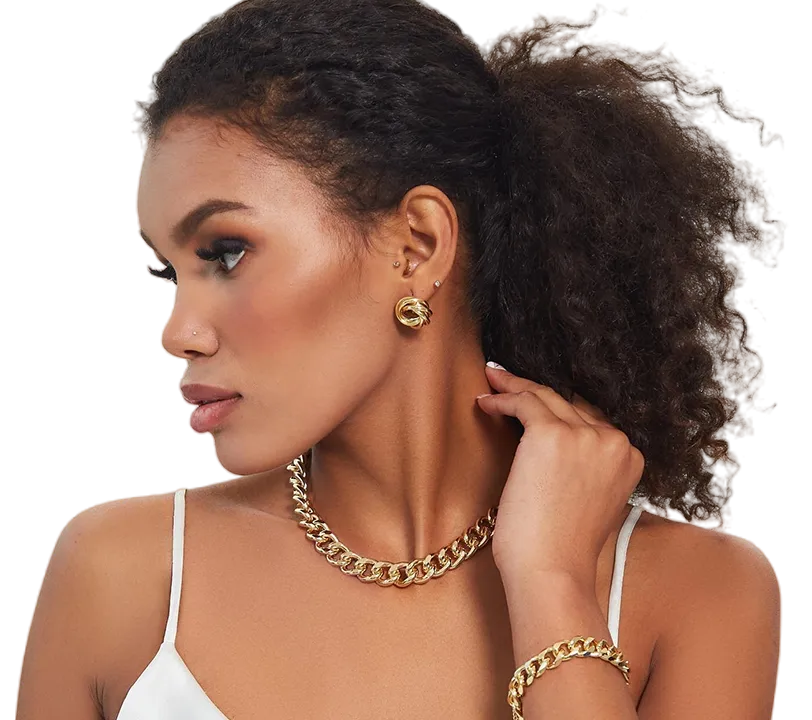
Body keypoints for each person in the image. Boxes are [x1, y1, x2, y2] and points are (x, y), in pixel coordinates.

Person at [17, 1, 782, 719]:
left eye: (226, 252)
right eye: (167, 272)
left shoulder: (702, 592)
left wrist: (549, 581)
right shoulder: (121, 575)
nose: (178, 333)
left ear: (416, 246)